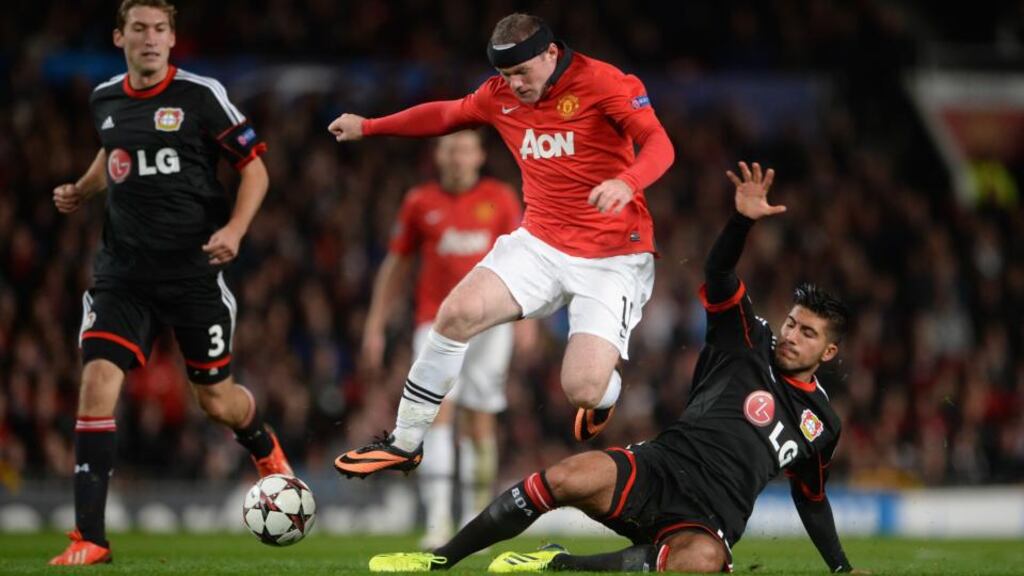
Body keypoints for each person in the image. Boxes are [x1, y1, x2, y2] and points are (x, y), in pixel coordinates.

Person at [366, 162, 860, 574]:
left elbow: (811, 499)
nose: (792, 336)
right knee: (564, 477)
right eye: (793, 323)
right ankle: (439, 559)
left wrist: (840, 568)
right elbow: (719, 273)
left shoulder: (822, 424)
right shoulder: (748, 338)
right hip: (660, 467)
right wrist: (742, 224)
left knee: (702, 562)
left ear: (829, 354)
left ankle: (560, 566)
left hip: (708, 519)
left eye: (808, 334)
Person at [331, 12, 675, 478]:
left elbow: (659, 143)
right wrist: (369, 127)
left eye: (522, 72)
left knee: (582, 388)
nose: (514, 84)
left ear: (550, 54)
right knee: (455, 314)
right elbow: (446, 115)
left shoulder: (605, 82)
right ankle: (405, 441)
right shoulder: (498, 98)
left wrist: (626, 181)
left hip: (613, 255)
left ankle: (604, 396)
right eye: (505, 75)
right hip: (540, 242)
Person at [48, 0, 291, 565]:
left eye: (160, 29)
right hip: (122, 275)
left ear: (172, 38)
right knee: (97, 380)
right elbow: (114, 149)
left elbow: (254, 167)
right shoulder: (104, 98)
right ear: (119, 37)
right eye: (140, 29)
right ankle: (91, 537)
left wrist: (235, 227)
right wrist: (84, 190)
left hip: (194, 274)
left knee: (216, 401)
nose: (151, 39)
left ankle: (263, 443)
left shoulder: (201, 95)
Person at [361, 129, 525, 548]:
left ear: (479, 156)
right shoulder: (420, 202)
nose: (457, 157)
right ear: (438, 155)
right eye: (450, 149)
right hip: (434, 324)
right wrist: (375, 325)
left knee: (479, 419)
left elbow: (526, 260)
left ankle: (474, 520)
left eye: (465, 149)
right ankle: (437, 521)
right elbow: (395, 264)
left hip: (493, 323)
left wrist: (529, 319)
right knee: (435, 416)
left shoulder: (502, 198)